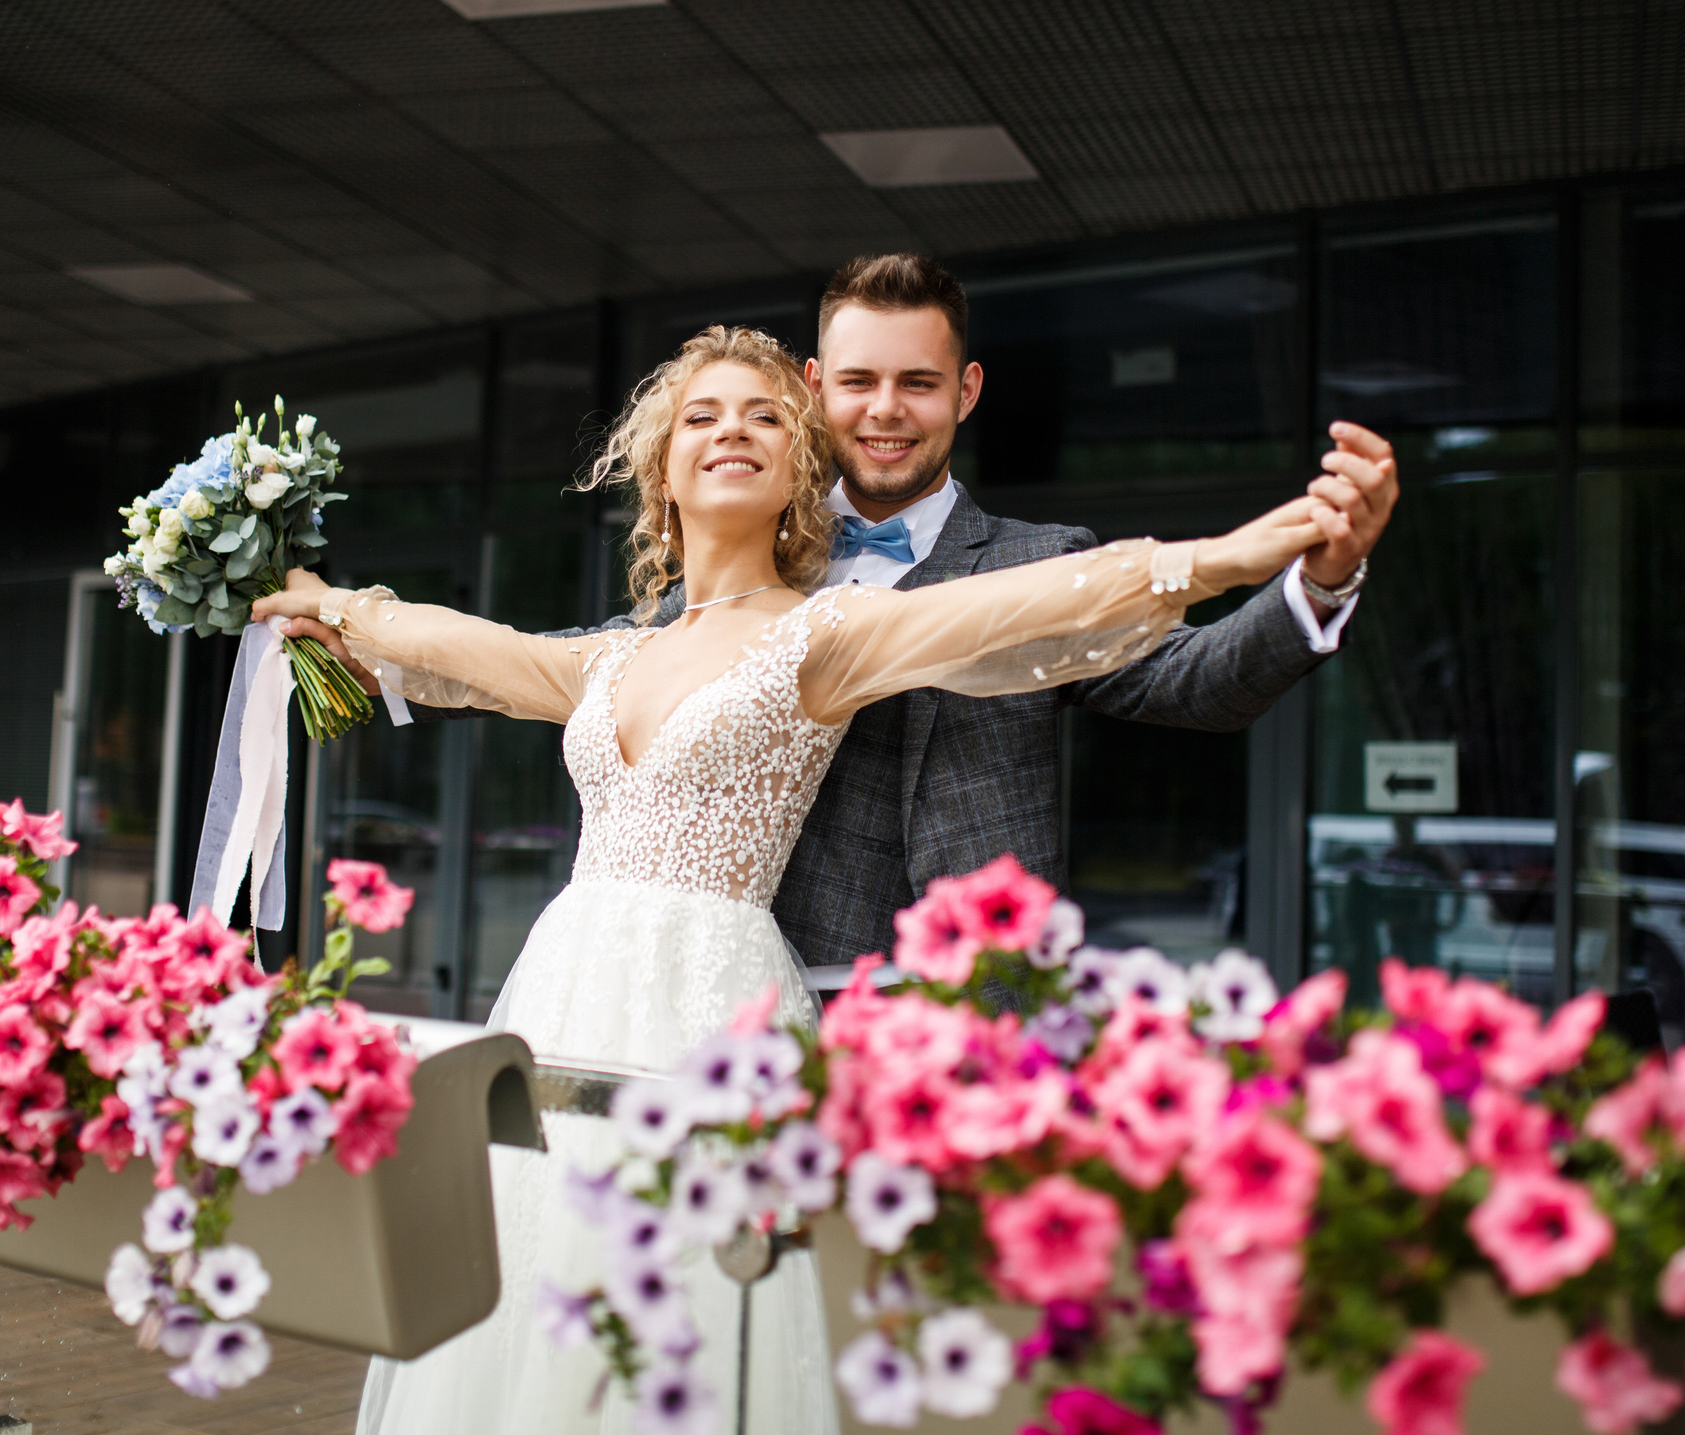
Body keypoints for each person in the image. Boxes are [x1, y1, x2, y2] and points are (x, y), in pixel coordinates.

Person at [252, 324, 1335, 1435]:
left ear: (800, 468)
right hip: (565, 989)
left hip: (709, 1003)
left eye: (766, 416)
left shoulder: (827, 633)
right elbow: (456, 641)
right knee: (536, 1277)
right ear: (662, 471)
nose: (733, 432)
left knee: (684, 1291)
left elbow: (1031, 602)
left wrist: (1224, 559)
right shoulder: (607, 656)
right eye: (704, 418)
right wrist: (323, 602)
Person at [294, 253, 1399, 970]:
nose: (885, 412)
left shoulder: (1035, 563)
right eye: (860, 383)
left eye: (918, 384)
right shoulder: (711, 584)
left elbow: (1194, 685)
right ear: (817, 389)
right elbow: (543, 672)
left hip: (972, 1005)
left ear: (963, 393)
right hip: (751, 992)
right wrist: (345, 637)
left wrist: (1316, 583)